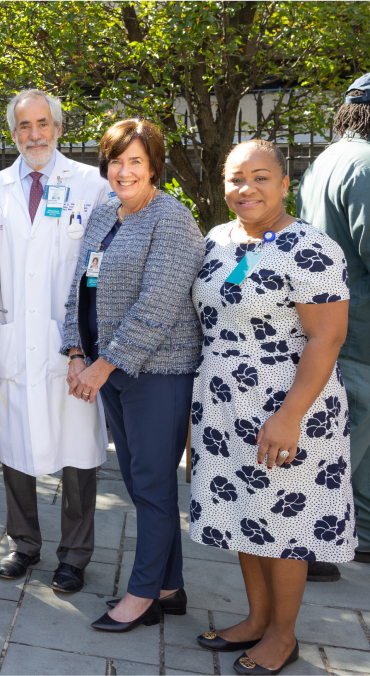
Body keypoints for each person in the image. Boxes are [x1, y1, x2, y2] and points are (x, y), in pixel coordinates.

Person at [190, 139, 355, 675]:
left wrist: (289, 415)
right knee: (246, 515)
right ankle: (257, 618)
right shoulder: (217, 240)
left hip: (288, 406)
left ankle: (283, 635)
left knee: (284, 525)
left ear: (286, 184)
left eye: (261, 177)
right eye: (236, 178)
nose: (247, 189)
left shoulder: (311, 247)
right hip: (223, 405)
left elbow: (325, 340)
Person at [61, 118, 205, 632]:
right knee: (143, 483)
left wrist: (102, 365)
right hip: (110, 372)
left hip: (157, 373)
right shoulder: (106, 212)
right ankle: (169, 587)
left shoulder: (172, 218)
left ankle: (141, 594)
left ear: (154, 167)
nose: (123, 171)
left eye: (135, 162)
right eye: (116, 160)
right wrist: (76, 351)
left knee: (151, 485)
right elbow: (79, 285)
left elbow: (159, 305)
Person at [0, 90, 111, 593]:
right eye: (24, 126)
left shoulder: (91, 186)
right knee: (15, 447)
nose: (33, 134)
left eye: (42, 124)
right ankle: (25, 545)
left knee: (78, 451)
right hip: (14, 339)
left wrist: (91, 342)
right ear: (12, 133)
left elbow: (104, 270)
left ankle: (75, 555)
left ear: (58, 128)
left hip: (73, 345)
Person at [299, 72, 370, 570]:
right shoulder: (365, 164)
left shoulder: (326, 158)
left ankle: (351, 535)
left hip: (330, 322)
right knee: (353, 436)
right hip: (360, 329)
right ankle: (323, 543)